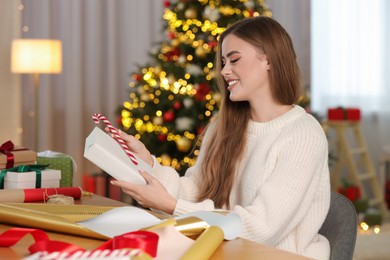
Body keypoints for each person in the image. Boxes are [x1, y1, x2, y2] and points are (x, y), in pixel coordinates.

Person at [110, 16, 330, 260]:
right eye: (223, 62)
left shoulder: (303, 135)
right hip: (225, 251)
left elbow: (262, 229)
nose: (224, 71)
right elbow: (195, 190)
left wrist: (171, 207)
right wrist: (149, 165)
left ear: (268, 59)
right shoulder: (224, 126)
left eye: (234, 59)